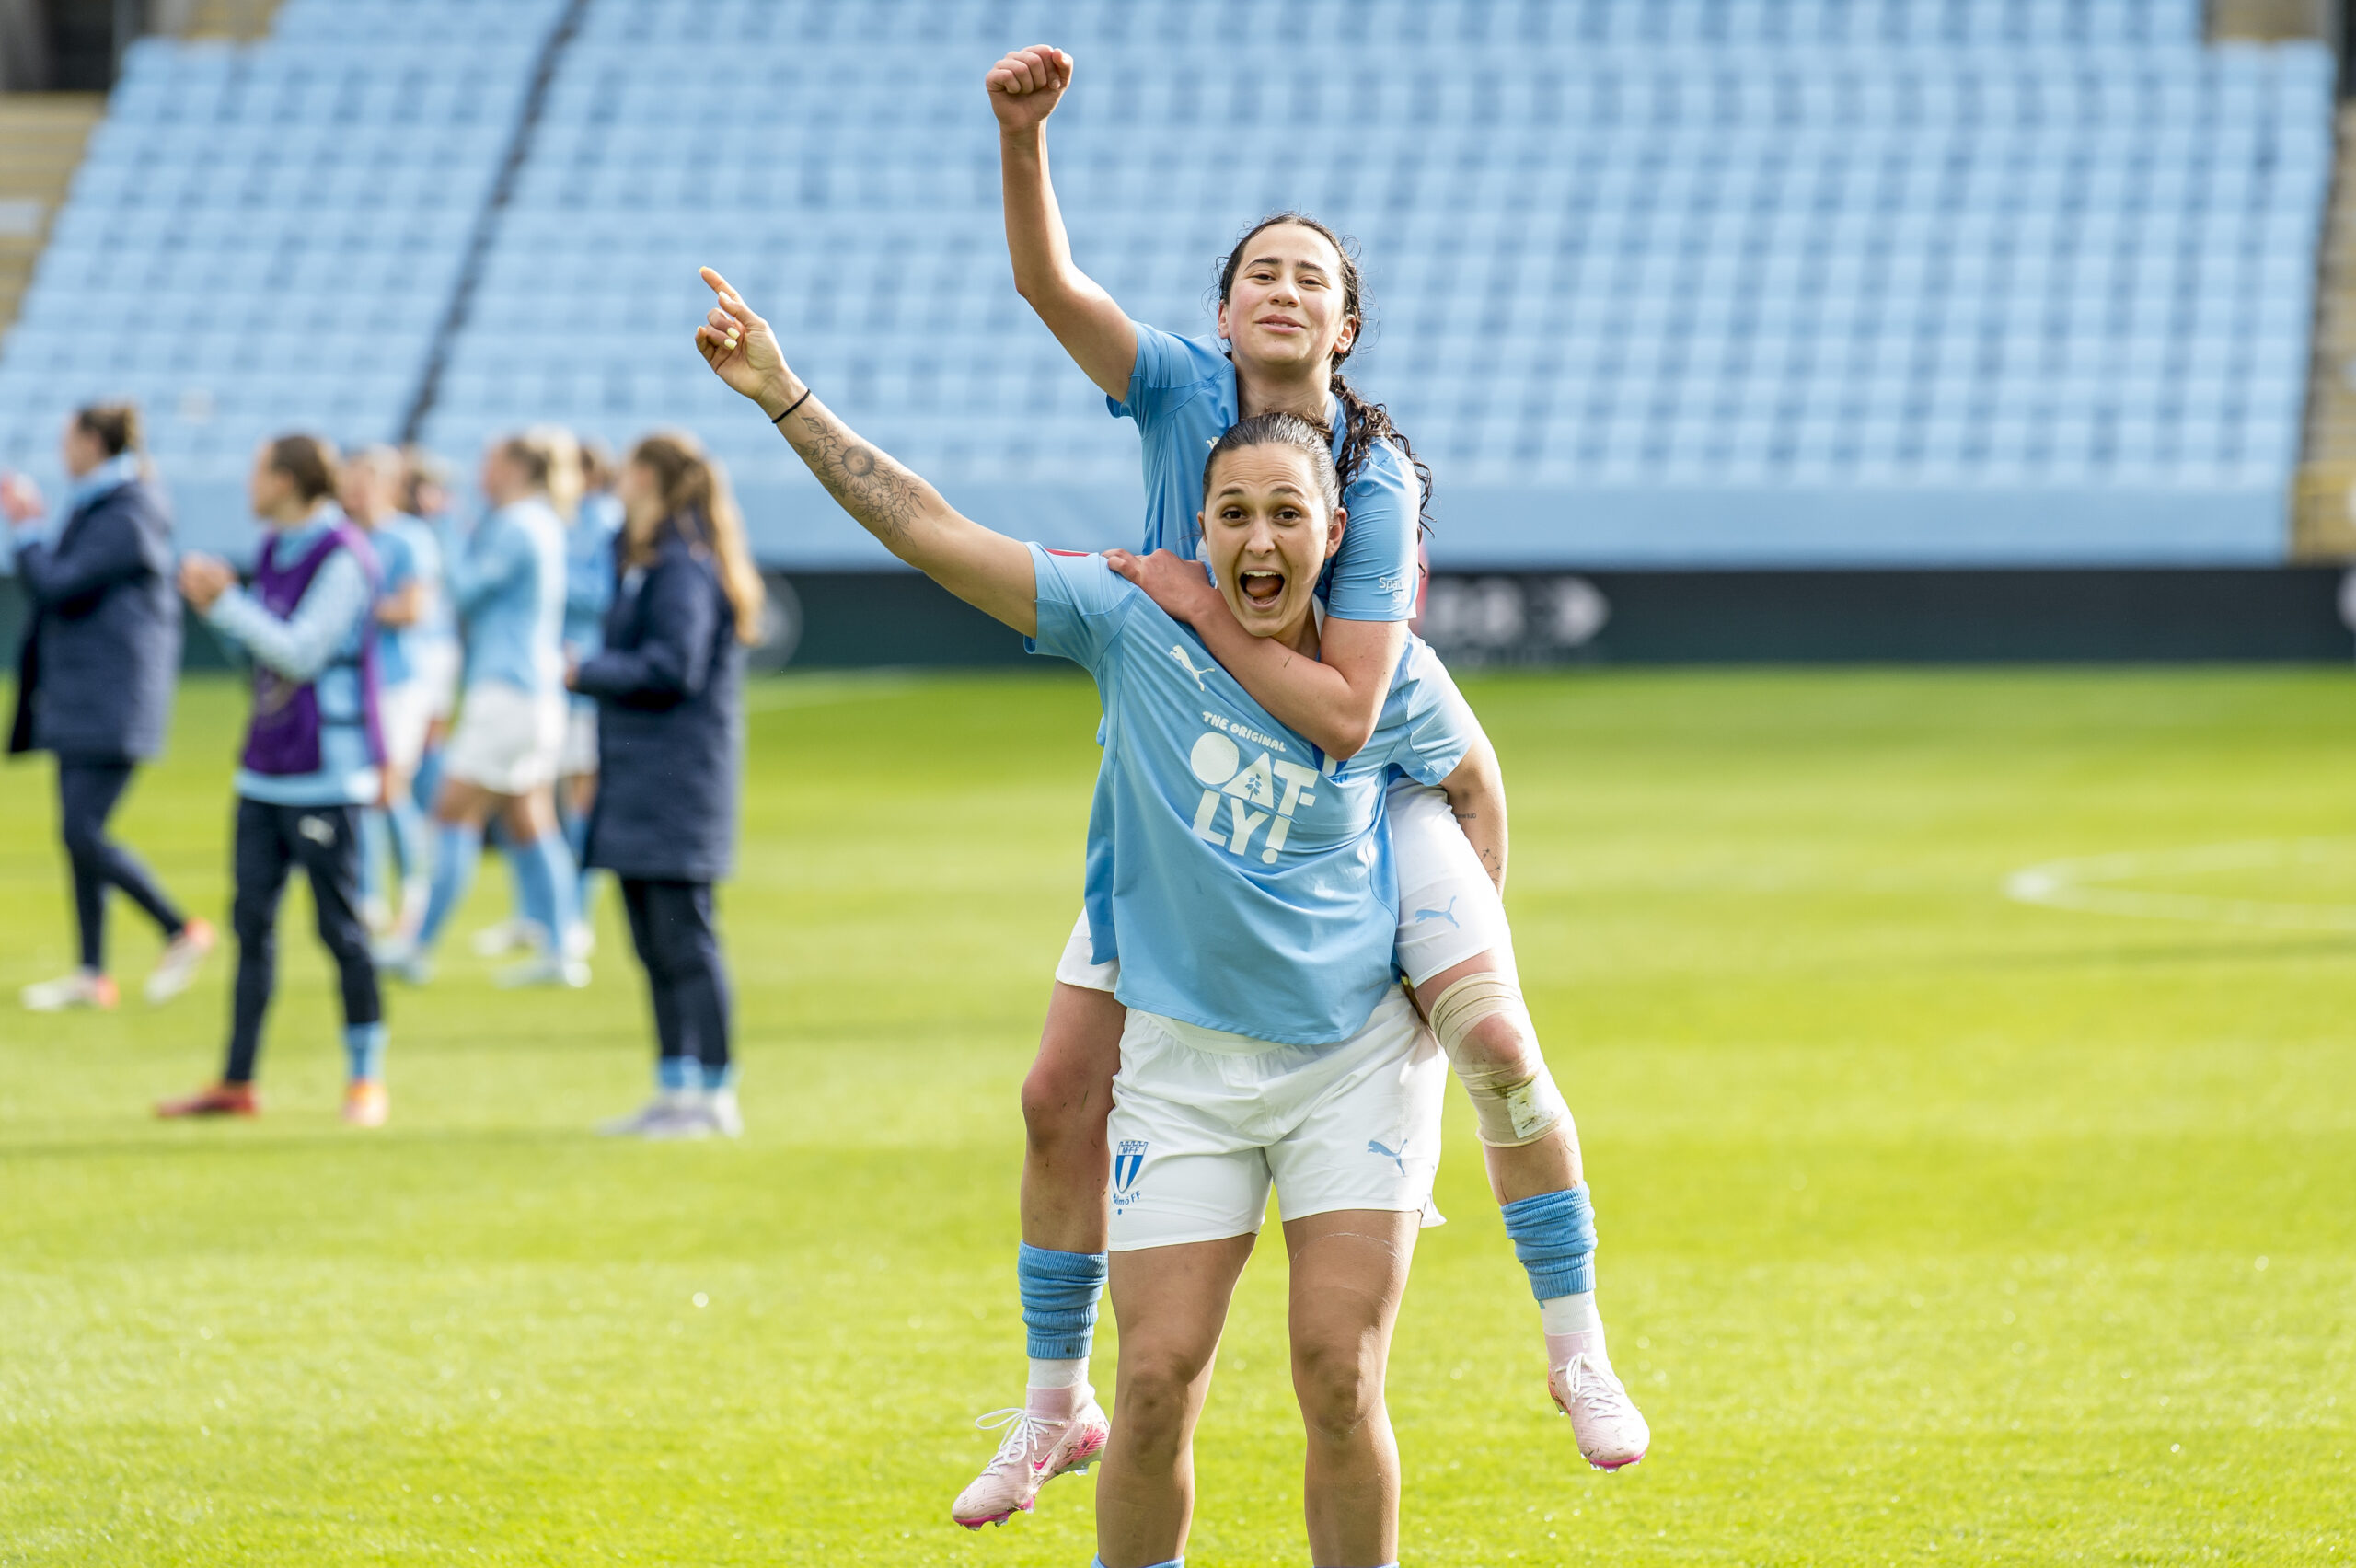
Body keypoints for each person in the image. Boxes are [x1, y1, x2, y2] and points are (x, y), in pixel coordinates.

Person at [698, 266, 1484, 1568]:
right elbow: (930, 528)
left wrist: (1466, 983)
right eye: (1232, 513)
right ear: (1202, 527)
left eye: (1288, 514)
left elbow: (1472, 783)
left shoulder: (1378, 673)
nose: (1259, 540)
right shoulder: (1127, 614)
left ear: (1334, 533)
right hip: (1183, 1063)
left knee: (1339, 1380)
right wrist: (787, 396)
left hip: (1349, 1063)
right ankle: (1067, 1419)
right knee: (1161, 1381)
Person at [973, 40, 1649, 1510]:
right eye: (1258, 272)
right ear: (1223, 309)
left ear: (1347, 326)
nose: (1281, 291)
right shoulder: (1176, 390)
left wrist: (1199, 608)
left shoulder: (1378, 473)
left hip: (1370, 777)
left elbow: (1356, 706)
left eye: (1312, 278)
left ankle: (1577, 1340)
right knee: (1051, 1093)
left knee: (1497, 1046)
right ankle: (1055, 1400)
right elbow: (1048, 291)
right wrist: (1026, 142)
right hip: (1184, 786)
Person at [156, 434, 389, 1125]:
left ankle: (365, 1080)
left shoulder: (345, 556)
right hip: (264, 769)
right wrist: (215, 609)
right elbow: (258, 653)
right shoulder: (271, 550)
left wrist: (227, 604)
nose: (247, 485)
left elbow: (302, 652)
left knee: (340, 930)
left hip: (327, 773)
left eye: (257, 471)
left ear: (287, 481)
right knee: (251, 926)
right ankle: (236, 1080)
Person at [572, 432, 762, 1139]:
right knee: (654, 944)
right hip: (648, 780)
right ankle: (674, 1089)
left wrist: (584, 672)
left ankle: (714, 1095)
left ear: (649, 477)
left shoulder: (683, 564)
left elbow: (673, 666)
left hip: (676, 782)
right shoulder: (656, 558)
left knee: (686, 941)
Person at [3, 403, 214, 1012]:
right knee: (76, 832)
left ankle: (178, 928)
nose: (61, 450)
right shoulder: (109, 505)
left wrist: (26, 529)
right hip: (85, 694)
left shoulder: (130, 509)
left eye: (68, 437)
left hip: (112, 696)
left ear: (93, 441)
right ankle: (91, 972)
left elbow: (59, 584)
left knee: (82, 829)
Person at [376, 429, 584, 989]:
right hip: (534, 692)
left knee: (449, 814)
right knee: (530, 820)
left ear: (517, 467)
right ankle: (564, 949)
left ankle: (416, 948)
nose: (480, 473)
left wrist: (442, 529)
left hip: (508, 692)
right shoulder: (539, 521)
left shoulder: (518, 523)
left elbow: (465, 591)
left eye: (490, 461)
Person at [340, 444, 441, 941]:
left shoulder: (408, 537)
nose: (354, 490)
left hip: (400, 681)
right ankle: (370, 896)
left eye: (364, 480)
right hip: (362, 680)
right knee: (366, 792)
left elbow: (414, 609)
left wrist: (355, 609)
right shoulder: (346, 536)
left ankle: (415, 893)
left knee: (389, 790)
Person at [557, 439, 623, 956]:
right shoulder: (571, 519)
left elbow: (602, 594)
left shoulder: (603, 521)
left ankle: (577, 916)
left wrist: (548, 578)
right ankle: (554, 913)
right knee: (558, 800)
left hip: (588, 672)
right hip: (559, 673)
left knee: (583, 799)